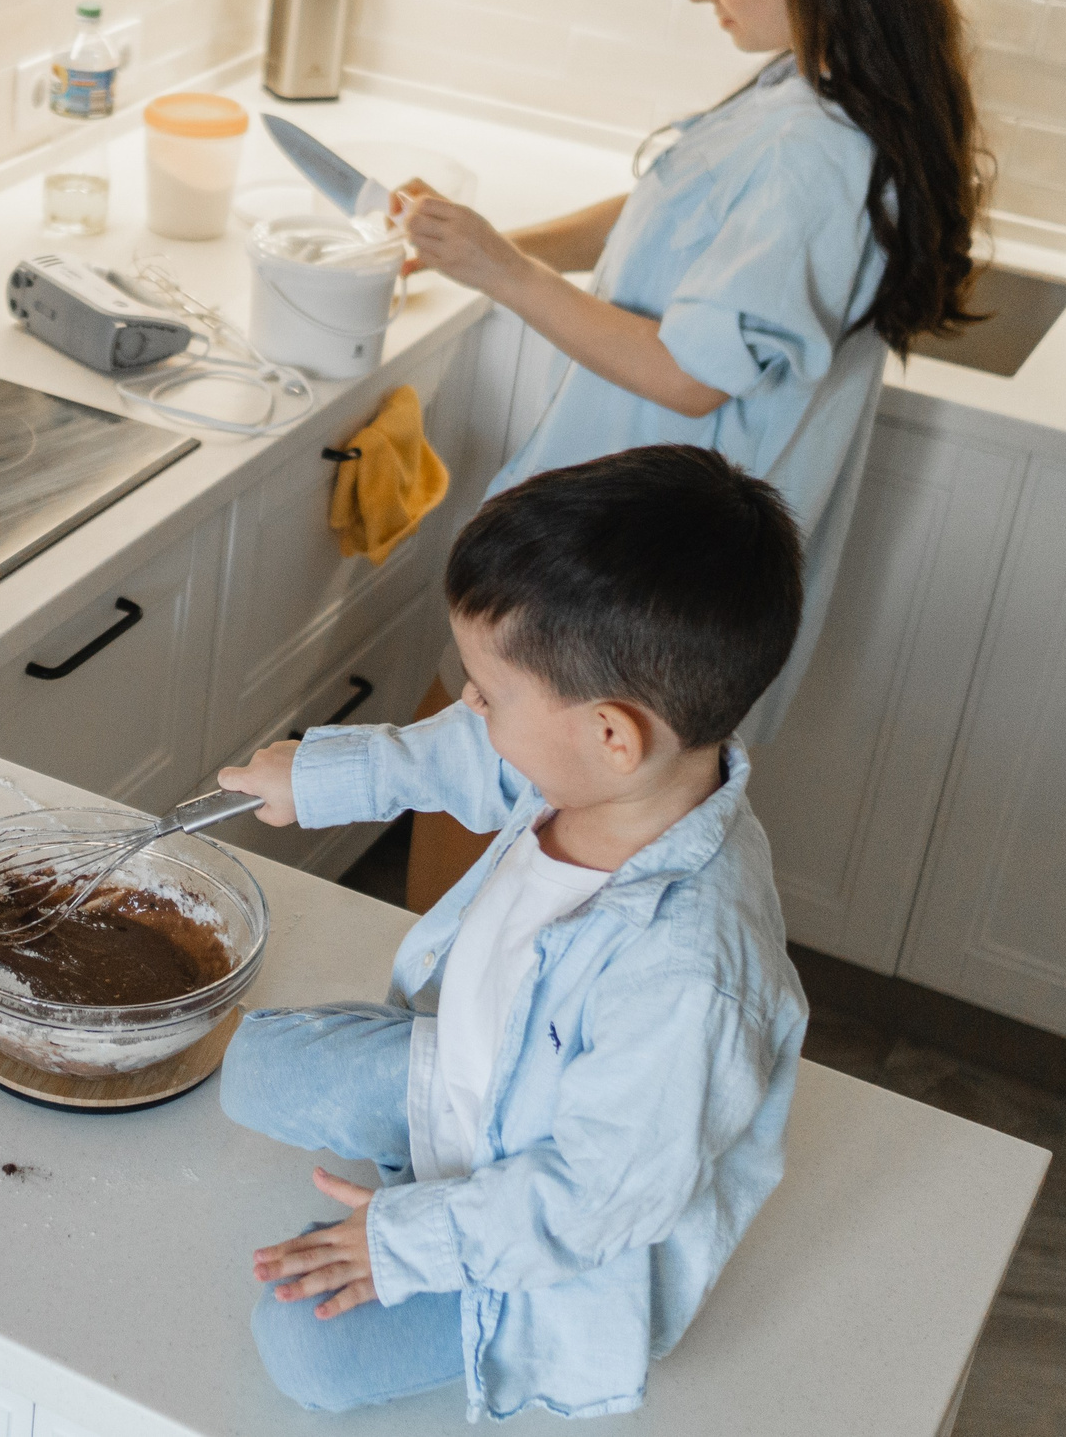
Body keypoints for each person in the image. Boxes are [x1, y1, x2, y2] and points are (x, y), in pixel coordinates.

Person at [214, 445, 811, 1421]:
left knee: (301, 1354)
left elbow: (597, 1199)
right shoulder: (599, 764)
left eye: (487, 694)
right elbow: (469, 759)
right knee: (255, 1067)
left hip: (558, 1238)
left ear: (610, 734)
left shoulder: (691, 976)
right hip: (475, 1079)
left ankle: (428, 1211)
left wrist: (402, 1242)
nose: (468, 708)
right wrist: (316, 779)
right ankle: (423, 1174)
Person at [399, 0, 985, 749]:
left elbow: (687, 373)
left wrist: (500, 269)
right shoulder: (812, 79)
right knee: (465, 766)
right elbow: (674, 211)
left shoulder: (820, 150)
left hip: (638, 576)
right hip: (624, 549)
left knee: (482, 788)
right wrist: (487, 241)